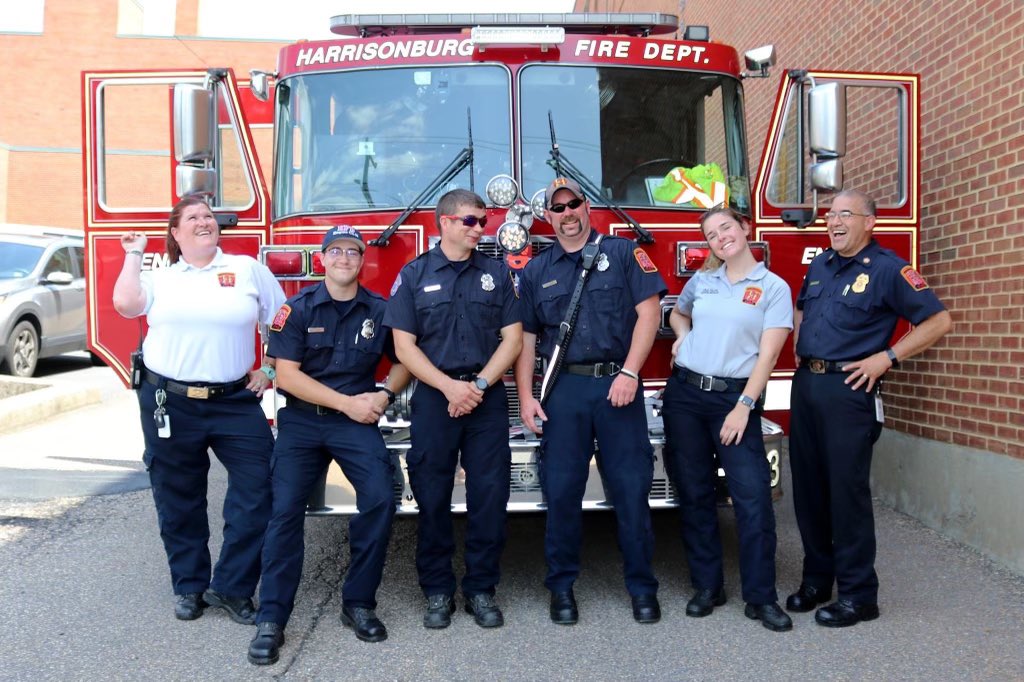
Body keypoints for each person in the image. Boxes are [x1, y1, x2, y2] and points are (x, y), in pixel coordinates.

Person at [111, 195, 286, 625]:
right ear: (176, 233)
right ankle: (188, 586)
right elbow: (126, 304)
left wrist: (270, 367)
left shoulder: (246, 269)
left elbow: (283, 317)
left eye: (208, 216)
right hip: (168, 400)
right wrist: (135, 253)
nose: (203, 221)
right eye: (192, 217)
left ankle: (231, 586)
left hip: (234, 401)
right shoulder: (161, 277)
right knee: (178, 497)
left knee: (259, 488)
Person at [247, 226, 412, 665]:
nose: (344, 258)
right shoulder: (295, 309)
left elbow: (404, 362)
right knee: (283, 512)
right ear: (321, 259)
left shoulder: (380, 310)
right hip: (303, 421)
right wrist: (348, 403)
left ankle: (358, 603)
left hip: (354, 424)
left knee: (379, 500)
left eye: (353, 252)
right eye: (335, 251)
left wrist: (383, 396)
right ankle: (272, 618)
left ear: (362, 261)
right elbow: (287, 375)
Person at [788, 189, 952, 627]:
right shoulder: (821, 264)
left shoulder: (888, 269)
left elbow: (938, 320)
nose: (834, 221)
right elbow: (803, 308)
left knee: (847, 494)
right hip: (807, 386)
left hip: (849, 389)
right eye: (830, 215)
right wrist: (800, 345)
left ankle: (860, 596)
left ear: (869, 223)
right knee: (809, 490)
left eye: (845, 214)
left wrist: (887, 358)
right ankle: (818, 581)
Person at [515, 177, 667, 625]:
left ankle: (642, 588)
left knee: (632, 492)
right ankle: (561, 589)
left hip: (617, 387)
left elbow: (650, 312)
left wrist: (630, 373)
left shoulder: (621, 254)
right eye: (557, 208)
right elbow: (525, 338)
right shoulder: (536, 271)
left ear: (586, 206)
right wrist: (526, 396)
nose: (566, 214)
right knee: (561, 493)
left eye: (573, 204)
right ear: (548, 217)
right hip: (564, 391)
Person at [383, 189, 522, 629]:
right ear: (444, 222)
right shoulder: (414, 274)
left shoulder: (497, 274)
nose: (481, 229)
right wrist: (448, 387)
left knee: (490, 498)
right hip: (434, 397)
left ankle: (481, 589)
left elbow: (513, 339)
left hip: (484, 399)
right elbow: (403, 346)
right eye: (471, 221)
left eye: (483, 221)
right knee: (432, 496)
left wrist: (477, 385)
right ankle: (438, 591)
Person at [662, 206, 793, 632]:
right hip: (684, 396)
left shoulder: (773, 288)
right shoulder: (703, 281)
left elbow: (769, 355)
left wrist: (744, 406)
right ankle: (707, 586)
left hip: (732, 401)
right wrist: (682, 336)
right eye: (711, 234)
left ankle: (761, 597)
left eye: (726, 228)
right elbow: (677, 313)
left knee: (752, 498)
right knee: (695, 492)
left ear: (745, 228)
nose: (720, 238)